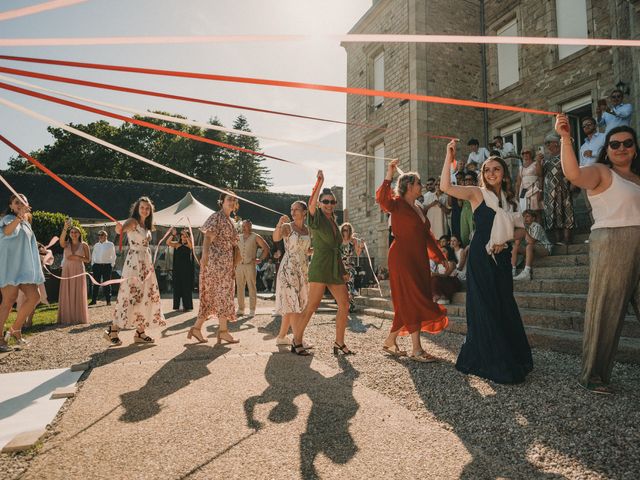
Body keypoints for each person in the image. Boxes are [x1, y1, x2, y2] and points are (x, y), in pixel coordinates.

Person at [555, 114, 640, 394]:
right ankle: (593, 375)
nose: (621, 148)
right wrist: (566, 137)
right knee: (605, 308)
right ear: (607, 149)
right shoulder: (602, 172)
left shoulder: (637, 178)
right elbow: (574, 175)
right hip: (612, 240)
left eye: (628, 143)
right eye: (614, 144)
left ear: (635, 147)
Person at [440, 141, 533, 384]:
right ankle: (492, 360)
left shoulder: (511, 202)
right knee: (485, 305)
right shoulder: (476, 193)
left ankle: (511, 355)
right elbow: (445, 186)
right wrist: (449, 157)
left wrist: (506, 240)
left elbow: (523, 233)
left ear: (503, 174)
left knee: (504, 304)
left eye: (496, 169)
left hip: (501, 258)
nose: (491, 173)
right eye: (487, 170)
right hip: (481, 257)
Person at [377, 160, 449, 362]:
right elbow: (382, 199)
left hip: (418, 259)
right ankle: (416, 349)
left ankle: (390, 340)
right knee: (414, 298)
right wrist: (389, 173)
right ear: (409, 186)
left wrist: (440, 257)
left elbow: (427, 236)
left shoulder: (418, 206)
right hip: (402, 257)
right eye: (418, 183)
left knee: (411, 299)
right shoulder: (397, 204)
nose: (422, 185)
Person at [290, 172, 352, 356]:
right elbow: (310, 204)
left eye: (332, 202)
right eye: (325, 201)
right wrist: (320, 182)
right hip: (319, 265)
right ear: (320, 203)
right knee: (312, 306)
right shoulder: (315, 217)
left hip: (334, 266)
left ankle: (339, 343)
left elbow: (338, 248)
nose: (329, 205)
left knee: (344, 304)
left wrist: (343, 270)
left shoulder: (333, 220)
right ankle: (296, 341)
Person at [104, 197, 165, 346]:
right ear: (137, 208)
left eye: (147, 208)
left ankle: (140, 332)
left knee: (145, 296)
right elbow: (120, 230)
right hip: (135, 263)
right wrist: (119, 228)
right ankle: (112, 330)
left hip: (146, 262)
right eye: (142, 207)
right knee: (130, 295)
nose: (145, 210)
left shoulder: (147, 225)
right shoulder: (133, 221)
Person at [187, 192, 240, 344]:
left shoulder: (231, 220)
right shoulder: (216, 217)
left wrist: (233, 265)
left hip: (226, 264)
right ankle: (223, 331)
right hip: (215, 263)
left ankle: (197, 328)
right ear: (221, 201)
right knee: (219, 295)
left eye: (234, 200)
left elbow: (234, 244)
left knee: (219, 296)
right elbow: (207, 237)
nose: (231, 202)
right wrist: (204, 255)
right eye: (229, 199)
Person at [0, 194, 44, 351]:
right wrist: (18, 217)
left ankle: (15, 329)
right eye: (16, 202)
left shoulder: (26, 223)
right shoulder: (7, 219)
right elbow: (7, 232)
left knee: (35, 297)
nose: (19, 204)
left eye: (22, 202)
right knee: (8, 301)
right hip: (10, 266)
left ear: (27, 205)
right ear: (11, 206)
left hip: (24, 269)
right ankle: (0, 339)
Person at [273, 201, 311, 346]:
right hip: (288, 268)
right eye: (292, 209)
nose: (293, 212)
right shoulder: (287, 227)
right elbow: (276, 238)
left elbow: (306, 250)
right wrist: (279, 224)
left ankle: (282, 337)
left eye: (297, 209)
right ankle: (297, 340)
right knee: (293, 304)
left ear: (304, 212)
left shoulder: (308, 230)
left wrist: (319, 251)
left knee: (294, 304)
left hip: (303, 269)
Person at [542, 133, 575, 245]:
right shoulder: (546, 159)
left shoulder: (564, 155)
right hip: (549, 191)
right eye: (546, 144)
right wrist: (538, 162)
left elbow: (572, 169)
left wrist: (571, 183)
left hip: (562, 188)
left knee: (565, 212)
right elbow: (540, 175)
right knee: (553, 214)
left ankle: (567, 239)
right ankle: (558, 240)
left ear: (556, 143)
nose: (547, 146)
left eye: (548, 143)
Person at [58, 220, 90, 325]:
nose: (73, 234)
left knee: (78, 291)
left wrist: (77, 257)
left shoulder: (84, 245)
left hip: (78, 270)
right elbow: (61, 241)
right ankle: (67, 317)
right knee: (67, 291)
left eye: (76, 232)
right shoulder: (66, 244)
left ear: (79, 234)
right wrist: (65, 228)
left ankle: (78, 317)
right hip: (67, 270)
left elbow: (88, 260)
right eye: (71, 232)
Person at [235, 220, 270, 316]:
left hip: (250, 265)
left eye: (246, 226)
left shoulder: (256, 236)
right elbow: (234, 250)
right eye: (243, 226)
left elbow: (266, 248)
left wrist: (260, 259)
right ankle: (241, 309)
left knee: (251, 287)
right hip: (239, 265)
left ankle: (252, 310)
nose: (244, 228)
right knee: (239, 288)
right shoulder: (238, 237)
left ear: (250, 226)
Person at [511, 210, 552, 281]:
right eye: (523, 217)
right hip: (531, 250)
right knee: (515, 246)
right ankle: (513, 271)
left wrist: (524, 232)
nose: (525, 218)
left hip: (544, 248)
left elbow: (532, 242)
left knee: (529, 246)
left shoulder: (537, 226)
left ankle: (527, 272)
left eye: (527, 216)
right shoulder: (525, 227)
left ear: (533, 218)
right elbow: (517, 244)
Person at [166, 228, 194, 311]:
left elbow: (191, 246)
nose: (184, 238)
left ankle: (187, 306)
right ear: (180, 237)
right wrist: (173, 234)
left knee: (186, 287)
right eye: (183, 236)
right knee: (177, 287)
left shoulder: (189, 244)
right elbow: (167, 242)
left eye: (185, 236)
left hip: (187, 270)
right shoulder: (177, 244)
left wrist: (187, 235)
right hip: (178, 269)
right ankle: (177, 306)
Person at [340, 222, 364, 312]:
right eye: (344, 230)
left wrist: (361, 245)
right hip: (340, 267)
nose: (345, 232)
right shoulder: (339, 240)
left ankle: (351, 305)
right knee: (342, 287)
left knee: (350, 287)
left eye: (347, 230)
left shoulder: (353, 240)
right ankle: (343, 305)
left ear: (350, 231)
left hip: (350, 266)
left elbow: (358, 253)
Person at [90, 229, 116, 306]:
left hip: (107, 266)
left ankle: (108, 301)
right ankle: (94, 300)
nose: (100, 236)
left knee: (107, 283)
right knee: (95, 283)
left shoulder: (110, 244)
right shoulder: (96, 245)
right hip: (97, 266)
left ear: (106, 236)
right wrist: (93, 264)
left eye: (102, 235)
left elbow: (113, 255)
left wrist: (112, 265)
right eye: (99, 235)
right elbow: (93, 254)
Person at [515, 147, 543, 214]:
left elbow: (540, 175)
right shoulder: (521, 167)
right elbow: (518, 183)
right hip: (523, 190)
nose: (525, 154)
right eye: (523, 153)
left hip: (534, 189)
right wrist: (516, 195)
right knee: (524, 210)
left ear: (532, 153)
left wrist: (541, 191)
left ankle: (537, 224)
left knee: (535, 211)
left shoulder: (536, 163)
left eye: (527, 152)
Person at [459, 171, 477, 246]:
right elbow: (459, 203)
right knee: (464, 236)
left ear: (474, 181)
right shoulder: (463, 190)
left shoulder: (476, 190)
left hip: (473, 213)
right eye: (466, 180)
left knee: (473, 236)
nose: (468, 181)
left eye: (470, 179)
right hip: (464, 214)